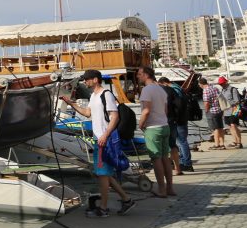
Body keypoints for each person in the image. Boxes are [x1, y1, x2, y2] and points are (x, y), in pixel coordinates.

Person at [60, 69, 135, 216]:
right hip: (98, 139)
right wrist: (71, 103)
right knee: (104, 174)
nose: (85, 82)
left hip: (104, 140)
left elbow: (115, 116)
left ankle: (104, 209)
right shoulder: (93, 96)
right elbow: (88, 113)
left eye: (87, 79)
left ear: (95, 80)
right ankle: (126, 199)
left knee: (102, 174)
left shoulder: (106, 94)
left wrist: (105, 135)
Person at [137, 66, 174, 197]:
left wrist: (140, 124)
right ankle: (170, 188)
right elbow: (165, 110)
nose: (138, 76)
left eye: (140, 74)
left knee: (156, 159)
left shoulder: (147, 90)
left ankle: (162, 189)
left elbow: (146, 110)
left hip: (153, 128)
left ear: (146, 75)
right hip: (165, 125)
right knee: (165, 158)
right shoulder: (161, 89)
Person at [159, 76, 193, 173]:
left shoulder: (173, 90)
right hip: (182, 119)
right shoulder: (178, 88)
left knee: (181, 141)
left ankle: (186, 163)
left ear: (164, 83)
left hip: (178, 120)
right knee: (180, 142)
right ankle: (183, 162)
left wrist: (175, 118)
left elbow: (177, 105)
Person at [217, 76, 243, 148]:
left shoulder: (233, 89)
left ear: (226, 82)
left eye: (222, 83)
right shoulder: (222, 90)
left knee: (233, 125)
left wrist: (229, 105)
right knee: (230, 127)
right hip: (226, 111)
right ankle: (235, 141)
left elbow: (237, 101)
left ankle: (239, 142)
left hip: (234, 109)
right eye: (220, 84)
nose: (221, 85)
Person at [200, 77, 226, 149]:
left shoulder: (205, 90)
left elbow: (206, 103)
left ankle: (217, 144)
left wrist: (206, 110)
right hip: (219, 110)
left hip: (212, 111)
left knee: (215, 129)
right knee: (220, 127)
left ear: (201, 84)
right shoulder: (214, 88)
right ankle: (222, 144)